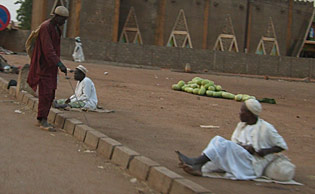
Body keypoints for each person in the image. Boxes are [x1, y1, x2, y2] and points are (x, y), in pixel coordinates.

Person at [176, 99, 289, 180]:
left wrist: (264, 151)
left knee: (221, 142)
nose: (239, 113)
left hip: (251, 164)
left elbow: (281, 146)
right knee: (216, 148)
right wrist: (244, 147)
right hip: (240, 159)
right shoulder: (241, 126)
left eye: (242, 111)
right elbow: (234, 145)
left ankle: (196, 162)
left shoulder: (266, 128)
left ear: (250, 114)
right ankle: (198, 164)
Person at [27, 6, 69, 132]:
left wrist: (57, 64)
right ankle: (42, 119)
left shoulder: (56, 29)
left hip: (51, 67)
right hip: (44, 66)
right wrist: (59, 64)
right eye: (63, 19)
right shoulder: (46, 27)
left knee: (51, 92)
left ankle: (44, 117)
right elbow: (48, 50)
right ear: (56, 17)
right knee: (45, 93)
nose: (64, 22)